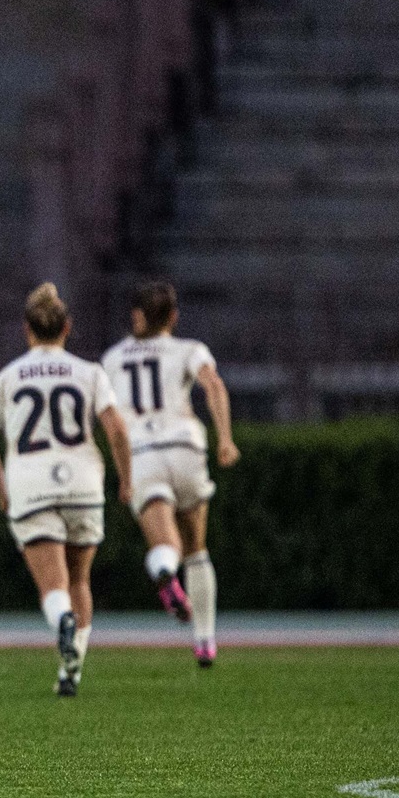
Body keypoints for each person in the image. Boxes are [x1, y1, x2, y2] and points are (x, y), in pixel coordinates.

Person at [0, 283, 132, 697]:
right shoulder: (90, 372)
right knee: (80, 580)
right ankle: (71, 673)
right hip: (83, 483)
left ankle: (61, 621)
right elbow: (116, 430)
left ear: (27, 329)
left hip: (30, 485)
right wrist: (127, 480)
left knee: (53, 587)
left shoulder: (8, 377)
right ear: (67, 327)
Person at [100, 279, 239, 667]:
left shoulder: (112, 359)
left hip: (141, 452)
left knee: (164, 542)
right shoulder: (189, 349)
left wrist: (118, 472)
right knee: (196, 548)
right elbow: (213, 384)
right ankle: (206, 642)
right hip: (185, 446)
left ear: (137, 316)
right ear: (174, 317)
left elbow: (105, 417)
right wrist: (225, 438)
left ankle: (163, 572)